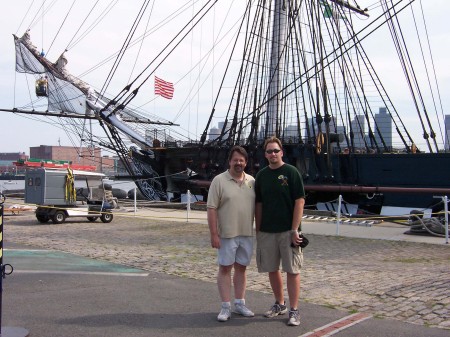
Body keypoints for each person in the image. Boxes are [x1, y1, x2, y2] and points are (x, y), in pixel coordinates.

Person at [255, 136, 305, 326]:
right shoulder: (261, 175)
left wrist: (295, 229)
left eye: (276, 150)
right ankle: (280, 303)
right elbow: (258, 204)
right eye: (269, 151)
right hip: (268, 230)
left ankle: (294, 309)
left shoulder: (291, 172)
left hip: (288, 230)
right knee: (272, 268)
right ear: (265, 154)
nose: (273, 154)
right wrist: (258, 229)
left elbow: (299, 201)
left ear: (282, 152)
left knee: (292, 270)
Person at [207, 146, 256, 322]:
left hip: (246, 233)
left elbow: (258, 207)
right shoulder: (219, 181)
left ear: (246, 163)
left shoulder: (252, 181)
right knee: (225, 268)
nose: (238, 163)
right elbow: (211, 208)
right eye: (235, 160)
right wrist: (214, 234)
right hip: (227, 234)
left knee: (242, 268)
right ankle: (225, 306)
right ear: (229, 161)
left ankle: (240, 303)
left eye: (241, 160)